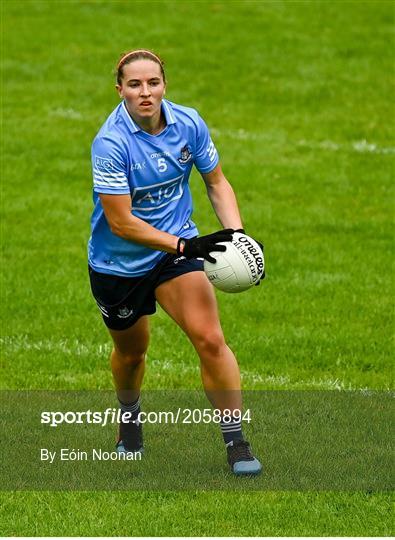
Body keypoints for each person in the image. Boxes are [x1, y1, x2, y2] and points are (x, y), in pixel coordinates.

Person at [88, 49, 263, 476]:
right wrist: (186, 247)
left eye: (152, 83)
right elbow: (121, 222)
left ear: (164, 85)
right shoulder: (110, 143)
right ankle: (129, 419)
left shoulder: (188, 123)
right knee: (132, 355)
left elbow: (216, 182)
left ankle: (236, 441)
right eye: (134, 84)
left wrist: (237, 238)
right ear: (120, 90)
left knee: (209, 339)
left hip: (176, 256)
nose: (145, 92)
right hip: (119, 264)